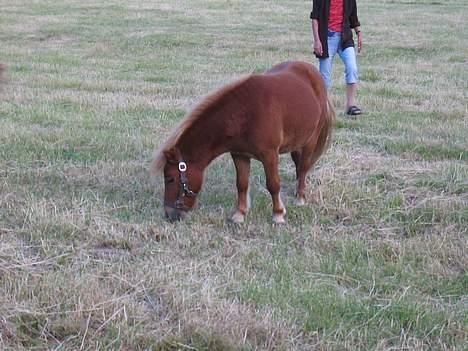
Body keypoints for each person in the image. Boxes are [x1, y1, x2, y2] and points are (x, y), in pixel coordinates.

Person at [310, 0, 363, 116]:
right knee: (325, 77)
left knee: (352, 68)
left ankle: (350, 106)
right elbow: (315, 18)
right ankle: (325, 109)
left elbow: (353, 17)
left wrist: (359, 33)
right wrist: (317, 41)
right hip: (327, 38)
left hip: (345, 38)